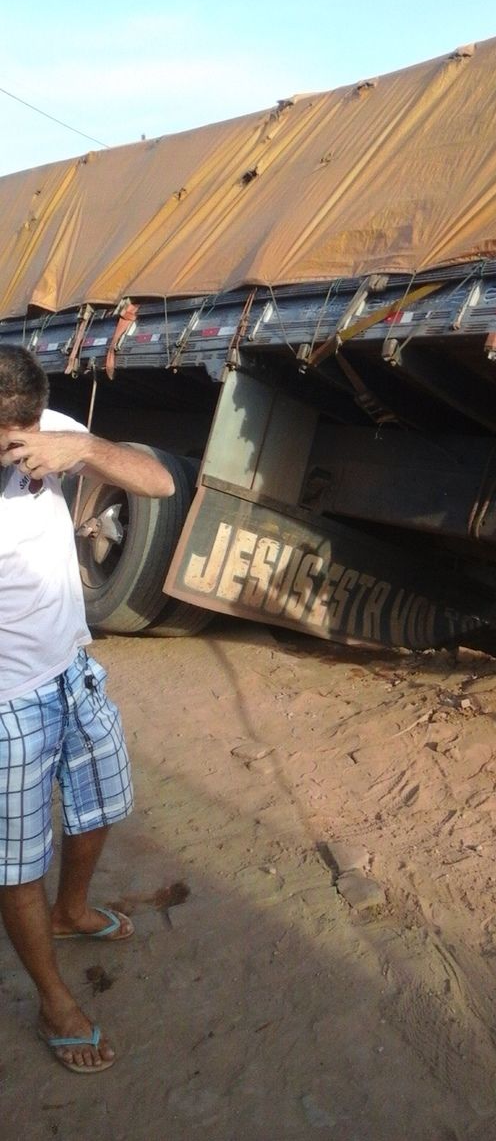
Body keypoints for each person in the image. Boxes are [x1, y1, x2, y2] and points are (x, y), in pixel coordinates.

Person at [0, 344, 175, 1074]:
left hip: (73, 668)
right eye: (10, 434)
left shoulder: (51, 432)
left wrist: (86, 448)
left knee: (99, 805)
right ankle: (52, 999)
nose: (20, 449)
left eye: (26, 430)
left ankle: (73, 912)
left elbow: (161, 482)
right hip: (7, 704)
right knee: (17, 864)